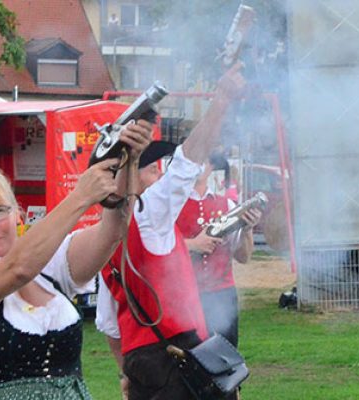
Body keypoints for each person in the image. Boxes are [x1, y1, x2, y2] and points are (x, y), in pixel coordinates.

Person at [0, 121, 152, 399]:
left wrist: (125, 161)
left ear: (17, 215)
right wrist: (81, 194)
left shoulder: (49, 264)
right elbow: (17, 270)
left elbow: (113, 231)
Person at [95, 63, 246, 400]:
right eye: (151, 168)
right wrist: (221, 100)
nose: (159, 175)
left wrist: (127, 373)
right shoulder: (150, 213)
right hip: (180, 362)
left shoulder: (99, 238)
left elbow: (109, 324)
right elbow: (188, 161)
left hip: (141, 366)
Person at [177, 153, 261, 348]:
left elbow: (244, 256)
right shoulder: (171, 208)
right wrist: (193, 245)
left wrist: (247, 229)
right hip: (185, 295)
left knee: (226, 357)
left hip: (222, 294)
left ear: (211, 166)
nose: (197, 167)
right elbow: (159, 250)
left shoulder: (226, 205)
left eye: (202, 161)